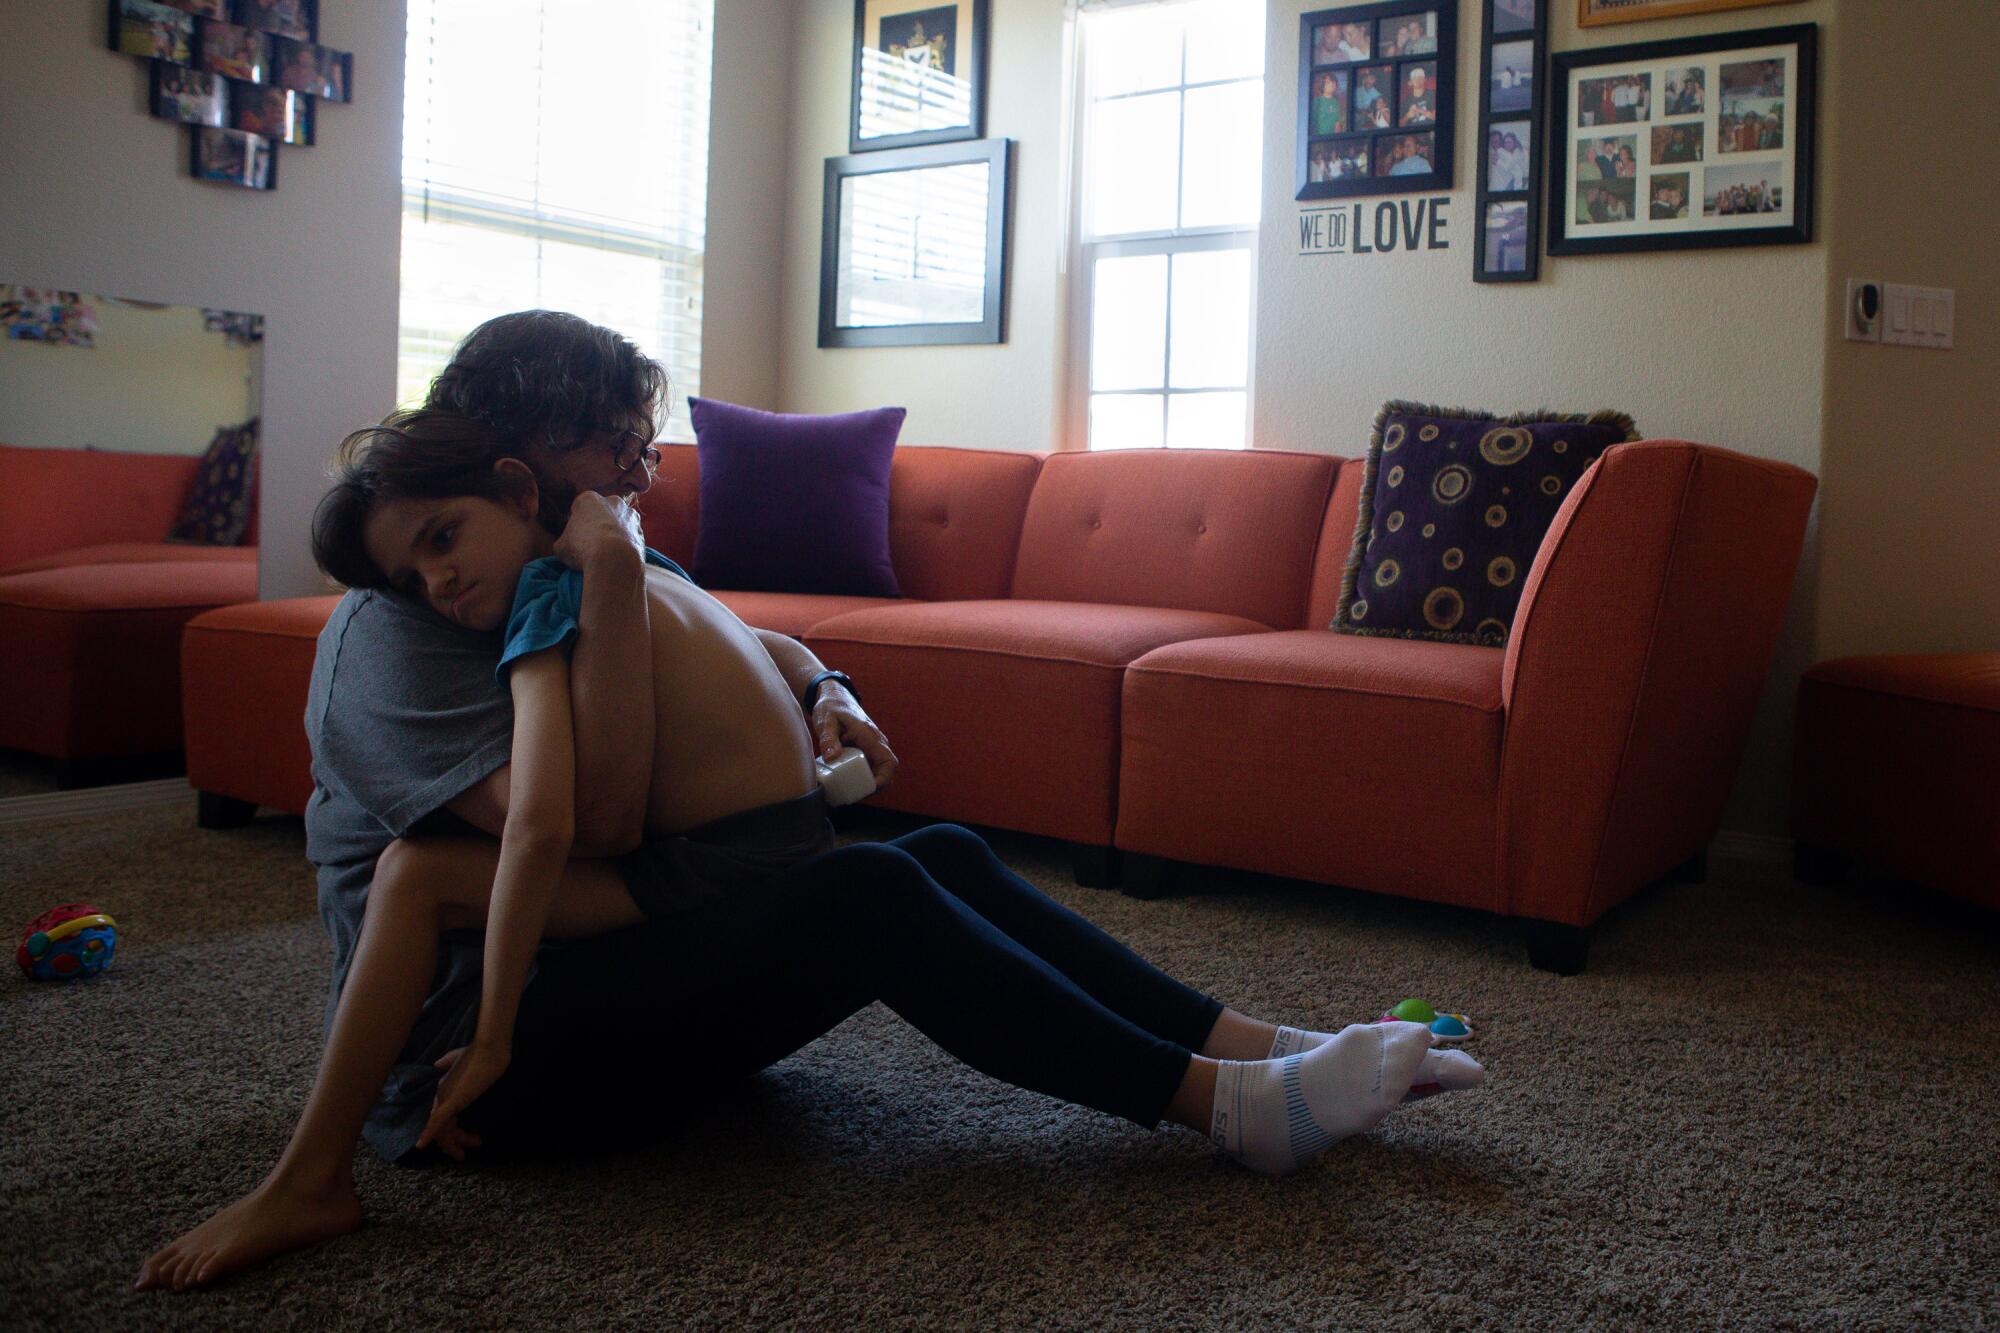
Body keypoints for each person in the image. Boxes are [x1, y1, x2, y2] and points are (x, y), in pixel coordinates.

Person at [134, 312, 1486, 1293]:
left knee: (934, 846)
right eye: (609, 444)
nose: (639, 468)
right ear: (507, 455)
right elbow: (577, 829)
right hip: (484, 1070)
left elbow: (718, 633)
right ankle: (1232, 1111)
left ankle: (1260, 1043)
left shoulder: (570, 543)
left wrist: (821, 679)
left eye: (640, 442)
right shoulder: (423, 619)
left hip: (617, 957)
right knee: (870, 891)